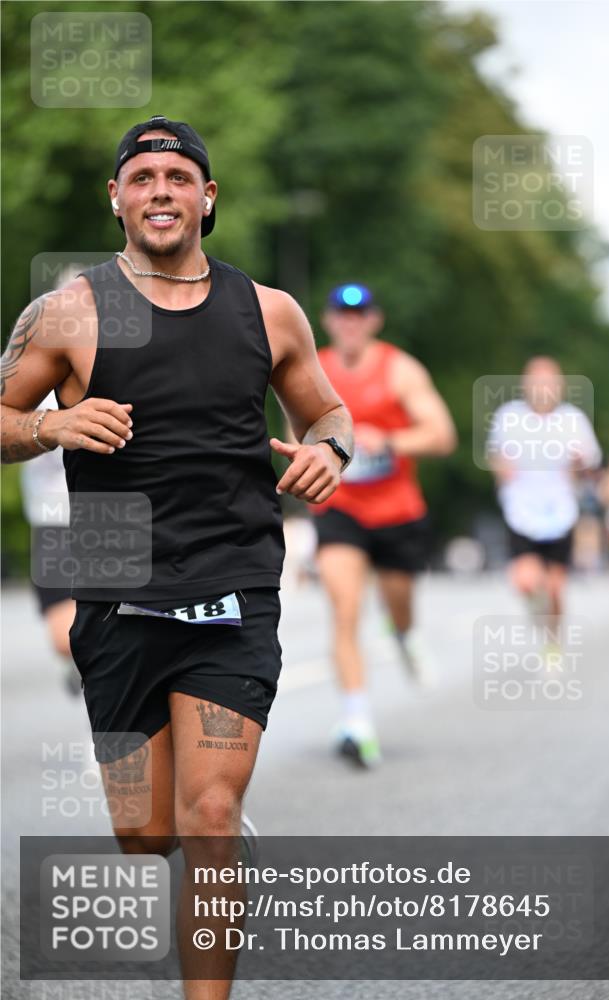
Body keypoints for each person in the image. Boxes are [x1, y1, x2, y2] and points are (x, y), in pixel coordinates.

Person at [0, 115, 353, 999]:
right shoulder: (69, 312)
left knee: (206, 813)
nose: (161, 189)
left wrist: (328, 452)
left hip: (232, 592)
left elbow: (329, 413)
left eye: (178, 175)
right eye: (143, 175)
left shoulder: (268, 311)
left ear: (207, 197)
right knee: (144, 834)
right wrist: (51, 423)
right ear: (115, 198)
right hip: (116, 596)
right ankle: (211, 839)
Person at [312, 283, 457, 768]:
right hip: (341, 508)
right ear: (329, 321)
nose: (350, 323)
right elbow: (300, 427)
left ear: (375, 320)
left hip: (397, 513)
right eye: (341, 315)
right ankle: (357, 721)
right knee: (345, 607)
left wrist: (387, 441)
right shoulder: (317, 369)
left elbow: (442, 435)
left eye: (360, 315)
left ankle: (404, 635)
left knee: (398, 610)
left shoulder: (400, 369)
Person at [486, 356, 602, 624]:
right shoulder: (509, 416)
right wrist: (502, 471)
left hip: (560, 512)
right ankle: (537, 609)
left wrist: (580, 464)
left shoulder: (573, 419)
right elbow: (496, 456)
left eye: (549, 382)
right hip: (521, 511)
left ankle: (552, 641)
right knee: (526, 581)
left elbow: (591, 467)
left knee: (554, 587)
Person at [19, 390, 79, 694]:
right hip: (54, 522)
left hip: (115, 515)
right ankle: (86, 666)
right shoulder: (33, 375)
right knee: (64, 638)